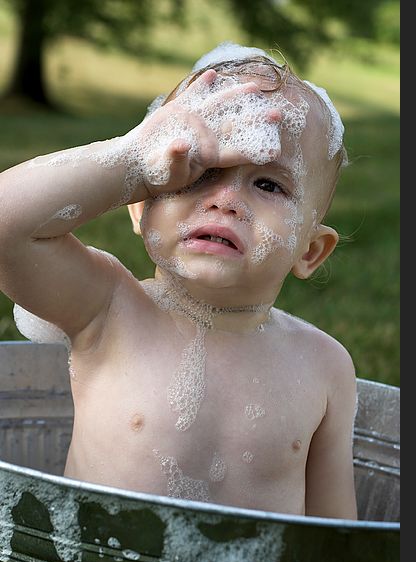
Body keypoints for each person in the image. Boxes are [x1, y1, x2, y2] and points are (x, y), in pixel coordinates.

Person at [0, 42, 357, 518]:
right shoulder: (107, 310)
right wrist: (131, 161)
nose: (226, 199)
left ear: (310, 251)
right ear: (139, 205)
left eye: (268, 184)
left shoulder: (325, 367)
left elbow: (336, 544)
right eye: (197, 175)